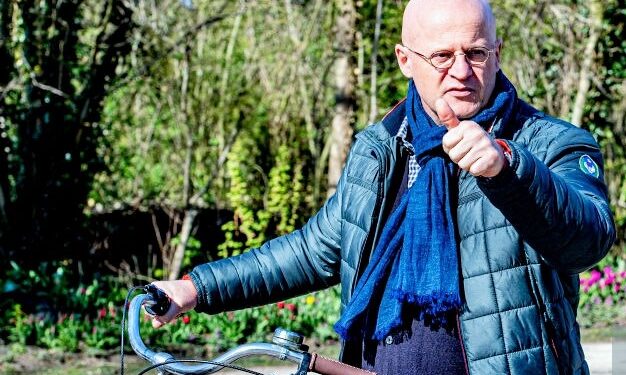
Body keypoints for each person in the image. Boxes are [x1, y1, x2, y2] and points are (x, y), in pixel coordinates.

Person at [149, 0, 616, 374]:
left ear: (498, 51)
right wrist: (197, 288)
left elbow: (588, 238)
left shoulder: (551, 143)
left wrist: (508, 169)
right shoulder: (382, 149)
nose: (461, 71)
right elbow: (314, 251)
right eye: (441, 56)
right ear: (405, 60)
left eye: (476, 53)